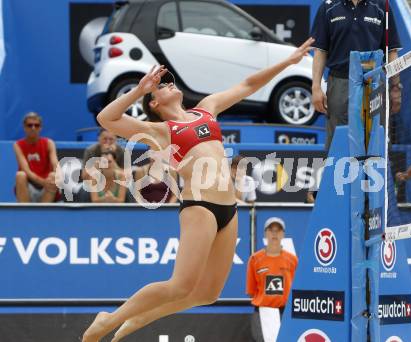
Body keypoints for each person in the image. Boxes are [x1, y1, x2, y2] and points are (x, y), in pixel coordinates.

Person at [82, 37, 314, 342]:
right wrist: (140, 88)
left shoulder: (206, 110)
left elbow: (247, 84)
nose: (168, 84)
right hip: (200, 206)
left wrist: (288, 62)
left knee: (207, 294)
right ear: (154, 104)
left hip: (228, 210)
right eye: (161, 87)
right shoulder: (160, 131)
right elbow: (106, 118)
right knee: (179, 285)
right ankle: (109, 319)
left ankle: (137, 319)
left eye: (167, 82)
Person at [311, 0, 402, 149]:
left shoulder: (382, 6)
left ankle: (374, 171)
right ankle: (338, 172)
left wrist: (396, 87)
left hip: (374, 83)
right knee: (338, 141)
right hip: (340, 83)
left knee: (376, 143)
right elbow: (320, 51)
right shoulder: (328, 7)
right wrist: (315, 87)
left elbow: (392, 51)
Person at [246, 217, 298, 342]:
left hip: (285, 312)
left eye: (278, 230)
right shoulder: (255, 259)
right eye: (271, 230)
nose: (274, 234)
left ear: (283, 234)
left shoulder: (292, 260)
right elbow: (252, 291)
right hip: (263, 312)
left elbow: (296, 289)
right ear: (265, 233)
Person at [13, 112, 60, 203]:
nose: (33, 128)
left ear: (40, 127)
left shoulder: (49, 143)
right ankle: (24, 213)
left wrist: (58, 174)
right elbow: (26, 170)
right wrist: (43, 182)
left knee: (54, 176)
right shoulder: (18, 145)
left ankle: (44, 214)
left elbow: (55, 164)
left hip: (47, 187)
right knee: (20, 175)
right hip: (29, 187)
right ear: (24, 127)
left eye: (36, 125)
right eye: (30, 125)